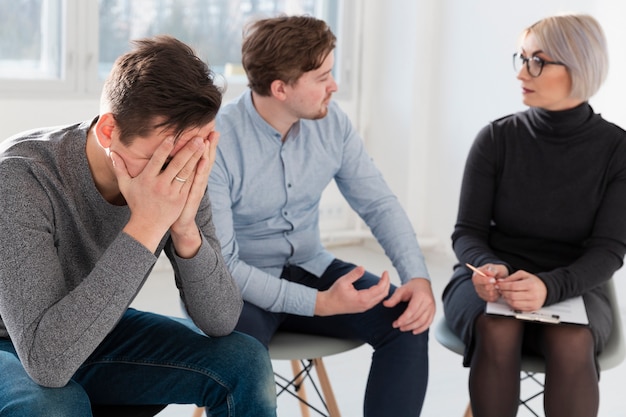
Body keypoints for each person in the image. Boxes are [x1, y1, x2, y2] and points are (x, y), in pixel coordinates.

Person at [0, 35, 277, 416]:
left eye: (196, 148)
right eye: (161, 156)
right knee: (56, 405)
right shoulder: (20, 176)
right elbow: (47, 362)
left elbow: (220, 320)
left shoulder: (182, 164)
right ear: (109, 131)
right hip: (13, 339)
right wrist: (147, 223)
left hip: (93, 330)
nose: (178, 170)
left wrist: (184, 230)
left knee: (245, 361)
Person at [208, 15, 435, 417]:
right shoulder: (217, 143)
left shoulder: (333, 125)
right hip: (241, 287)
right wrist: (318, 304)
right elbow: (224, 265)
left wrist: (416, 275)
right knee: (236, 357)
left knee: (408, 324)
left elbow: (378, 204)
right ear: (281, 88)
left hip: (311, 265)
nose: (335, 85)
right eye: (322, 77)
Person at [442, 13, 626, 417]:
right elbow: (467, 232)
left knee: (571, 341)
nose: (523, 72)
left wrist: (548, 286)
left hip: (573, 284)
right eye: (522, 58)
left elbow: (609, 251)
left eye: (537, 61)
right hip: (490, 284)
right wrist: (489, 268)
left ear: (578, 66)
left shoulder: (616, 150)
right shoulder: (496, 139)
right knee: (497, 328)